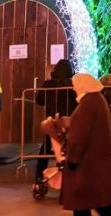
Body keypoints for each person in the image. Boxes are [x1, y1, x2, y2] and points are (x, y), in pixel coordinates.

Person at [60, 72, 111, 216]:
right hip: (95, 162)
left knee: (84, 204)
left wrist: (72, 159)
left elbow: (80, 134)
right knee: (95, 203)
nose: (73, 89)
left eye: (75, 85)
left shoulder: (88, 104)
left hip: (86, 164)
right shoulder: (97, 100)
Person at [34, 58, 76, 186]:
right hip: (69, 121)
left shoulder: (48, 84)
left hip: (52, 121)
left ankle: (39, 177)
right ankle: (68, 177)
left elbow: (39, 100)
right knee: (68, 150)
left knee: (46, 148)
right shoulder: (72, 83)